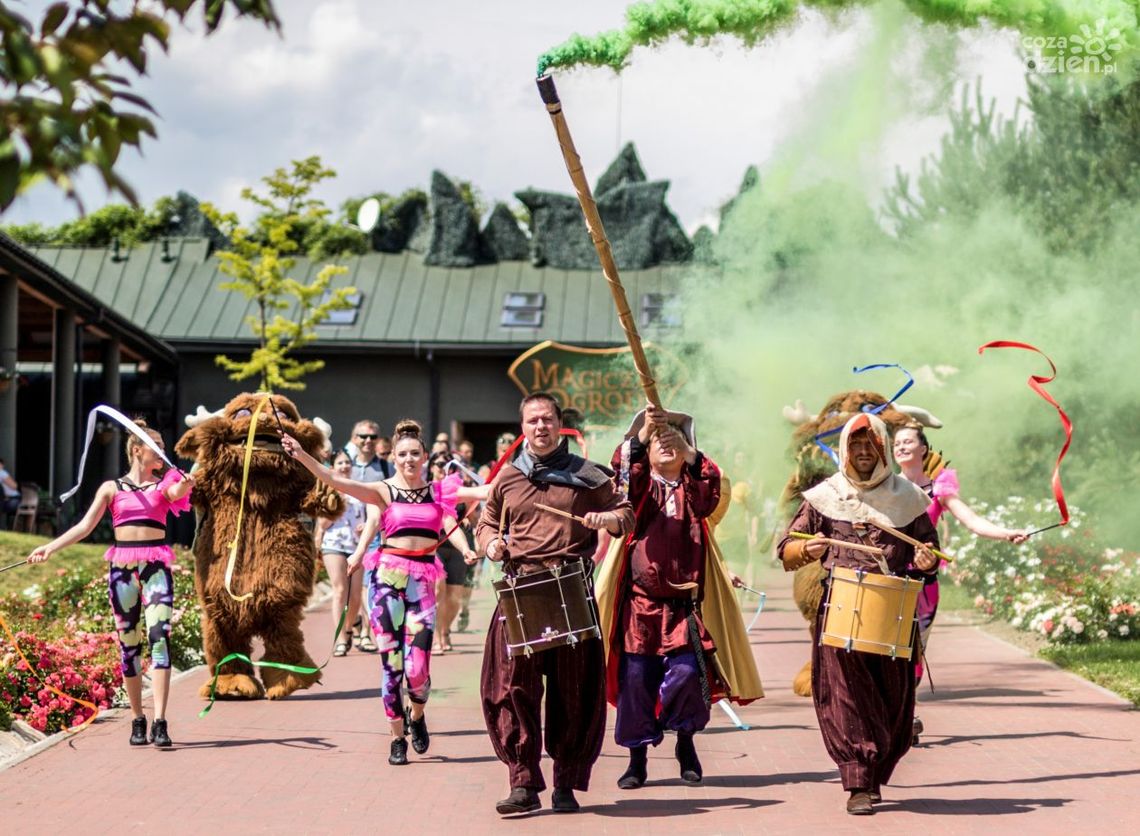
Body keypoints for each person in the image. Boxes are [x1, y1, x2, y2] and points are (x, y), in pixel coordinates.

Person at [282, 419, 480, 766]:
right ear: (395, 457)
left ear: (424, 456)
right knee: (392, 664)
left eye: (415, 453)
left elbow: (471, 502)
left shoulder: (438, 491)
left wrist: (466, 548)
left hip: (422, 582)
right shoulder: (382, 491)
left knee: (418, 667)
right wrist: (301, 455)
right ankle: (397, 737)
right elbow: (335, 480)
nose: (409, 459)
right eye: (402, 454)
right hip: (388, 580)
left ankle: (417, 715)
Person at [475, 392, 634, 816]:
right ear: (523, 427)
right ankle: (523, 783)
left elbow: (625, 514)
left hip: (570, 590)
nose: (540, 427)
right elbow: (486, 522)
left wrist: (609, 519)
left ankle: (566, 783)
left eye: (547, 419)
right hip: (520, 591)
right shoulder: (508, 477)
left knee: (574, 691)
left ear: (558, 423)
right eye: (533, 420)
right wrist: (491, 544)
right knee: (511, 689)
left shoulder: (588, 474)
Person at [777, 413, 939, 816]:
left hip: (893, 614)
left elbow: (929, 552)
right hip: (840, 610)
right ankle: (858, 782)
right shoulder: (825, 496)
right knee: (846, 698)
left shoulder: (909, 498)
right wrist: (807, 549)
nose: (864, 452)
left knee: (894, 704)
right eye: (856, 445)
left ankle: (875, 771)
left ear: (883, 450)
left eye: (871, 445)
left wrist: (926, 560)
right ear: (845, 450)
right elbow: (787, 548)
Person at [596, 404, 764, 790]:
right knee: (636, 680)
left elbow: (711, 487)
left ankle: (685, 743)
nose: (665, 443)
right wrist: (643, 434)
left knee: (688, 675)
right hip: (639, 606)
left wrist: (688, 452)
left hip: (685, 608)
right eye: (658, 439)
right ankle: (637, 759)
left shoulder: (695, 491)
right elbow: (623, 473)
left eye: (674, 438)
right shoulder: (638, 490)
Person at [27, 420, 193, 747]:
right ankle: (138, 718)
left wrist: (187, 484)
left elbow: (177, 492)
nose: (163, 452)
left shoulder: (165, 484)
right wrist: (49, 548)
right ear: (137, 450)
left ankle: (160, 721)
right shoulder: (111, 489)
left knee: (159, 639)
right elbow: (84, 527)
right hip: (122, 571)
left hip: (155, 568)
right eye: (156, 446)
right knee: (129, 646)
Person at [892, 423, 1028, 740]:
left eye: (908, 441)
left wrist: (1006, 533)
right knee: (888, 648)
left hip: (923, 585)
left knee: (914, 651)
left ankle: (906, 714)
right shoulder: (886, 487)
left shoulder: (938, 491)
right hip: (889, 578)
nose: (901, 446)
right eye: (896, 443)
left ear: (923, 449)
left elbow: (972, 521)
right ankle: (895, 714)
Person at [313, 450, 380, 656]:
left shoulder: (360, 489)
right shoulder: (328, 490)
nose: (344, 466)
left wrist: (364, 527)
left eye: (347, 463)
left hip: (356, 546)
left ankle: (350, 627)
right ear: (333, 467)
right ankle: (341, 638)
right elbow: (323, 524)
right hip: (334, 545)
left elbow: (371, 518)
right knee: (340, 590)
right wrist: (339, 501)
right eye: (340, 463)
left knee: (355, 596)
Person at [347, 420, 392, 653]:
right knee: (349, 592)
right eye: (363, 436)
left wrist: (373, 522)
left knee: (368, 585)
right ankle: (352, 626)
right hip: (345, 536)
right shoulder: (345, 465)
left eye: (372, 437)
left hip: (374, 535)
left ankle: (365, 632)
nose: (367, 441)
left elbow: (393, 502)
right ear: (354, 438)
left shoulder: (386, 468)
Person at [428, 451, 478, 652]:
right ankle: (437, 636)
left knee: (455, 596)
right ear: (431, 466)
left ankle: (445, 629)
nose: (444, 468)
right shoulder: (426, 489)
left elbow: (474, 519)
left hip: (457, 545)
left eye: (450, 465)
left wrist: (467, 516)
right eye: (439, 464)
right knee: (438, 590)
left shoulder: (459, 490)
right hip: (436, 545)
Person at [0, 458, 20, 524]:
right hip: (7, 500)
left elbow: (14, 486)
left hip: (13, 499)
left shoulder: (2, 473)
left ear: (1, 465)